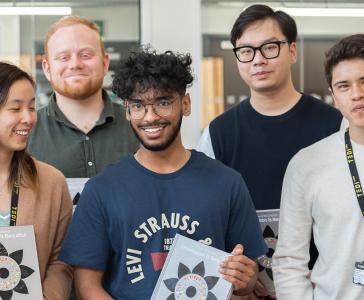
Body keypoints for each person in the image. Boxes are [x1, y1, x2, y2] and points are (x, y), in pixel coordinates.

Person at [59, 47, 267, 299]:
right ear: (127, 110)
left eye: (163, 102)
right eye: (138, 105)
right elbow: (87, 286)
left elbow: (247, 276)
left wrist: (245, 278)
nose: (150, 116)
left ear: (186, 104)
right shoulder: (102, 189)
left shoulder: (227, 183)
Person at [197, 4, 343, 298]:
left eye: (269, 48)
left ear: (292, 51)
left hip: (323, 290)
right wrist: (235, 285)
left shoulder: (336, 125)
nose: (258, 60)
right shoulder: (217, 134)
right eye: (246, 51)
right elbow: (207, 217)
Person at [273, 34, 364, 299]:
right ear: (334, 97)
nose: (357, 94)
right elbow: (289, 260)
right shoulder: (307, 164)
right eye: (344, 86)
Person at [27, 16, 138, 178]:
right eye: (63, 57)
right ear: (47, 68)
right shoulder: (25, 131)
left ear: (105, 63)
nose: (75, 64)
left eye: (85, 55)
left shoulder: (138, 124)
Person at [0, 61, 72, 299]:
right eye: (15, 108)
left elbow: (61, 261)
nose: (29, 118)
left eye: (32, 107)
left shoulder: (52, 182)